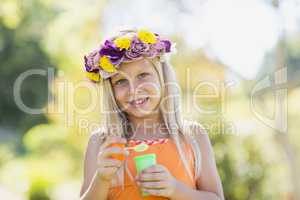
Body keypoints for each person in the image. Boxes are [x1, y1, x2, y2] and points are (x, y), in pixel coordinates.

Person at [79, 29, 224, 200]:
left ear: (162, 77)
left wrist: (175, 190)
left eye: (143, 75)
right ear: (111, 90)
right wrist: (101, 179)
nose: (134, 90)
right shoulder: (102, 142)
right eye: (121, 81)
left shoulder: (192, 136)